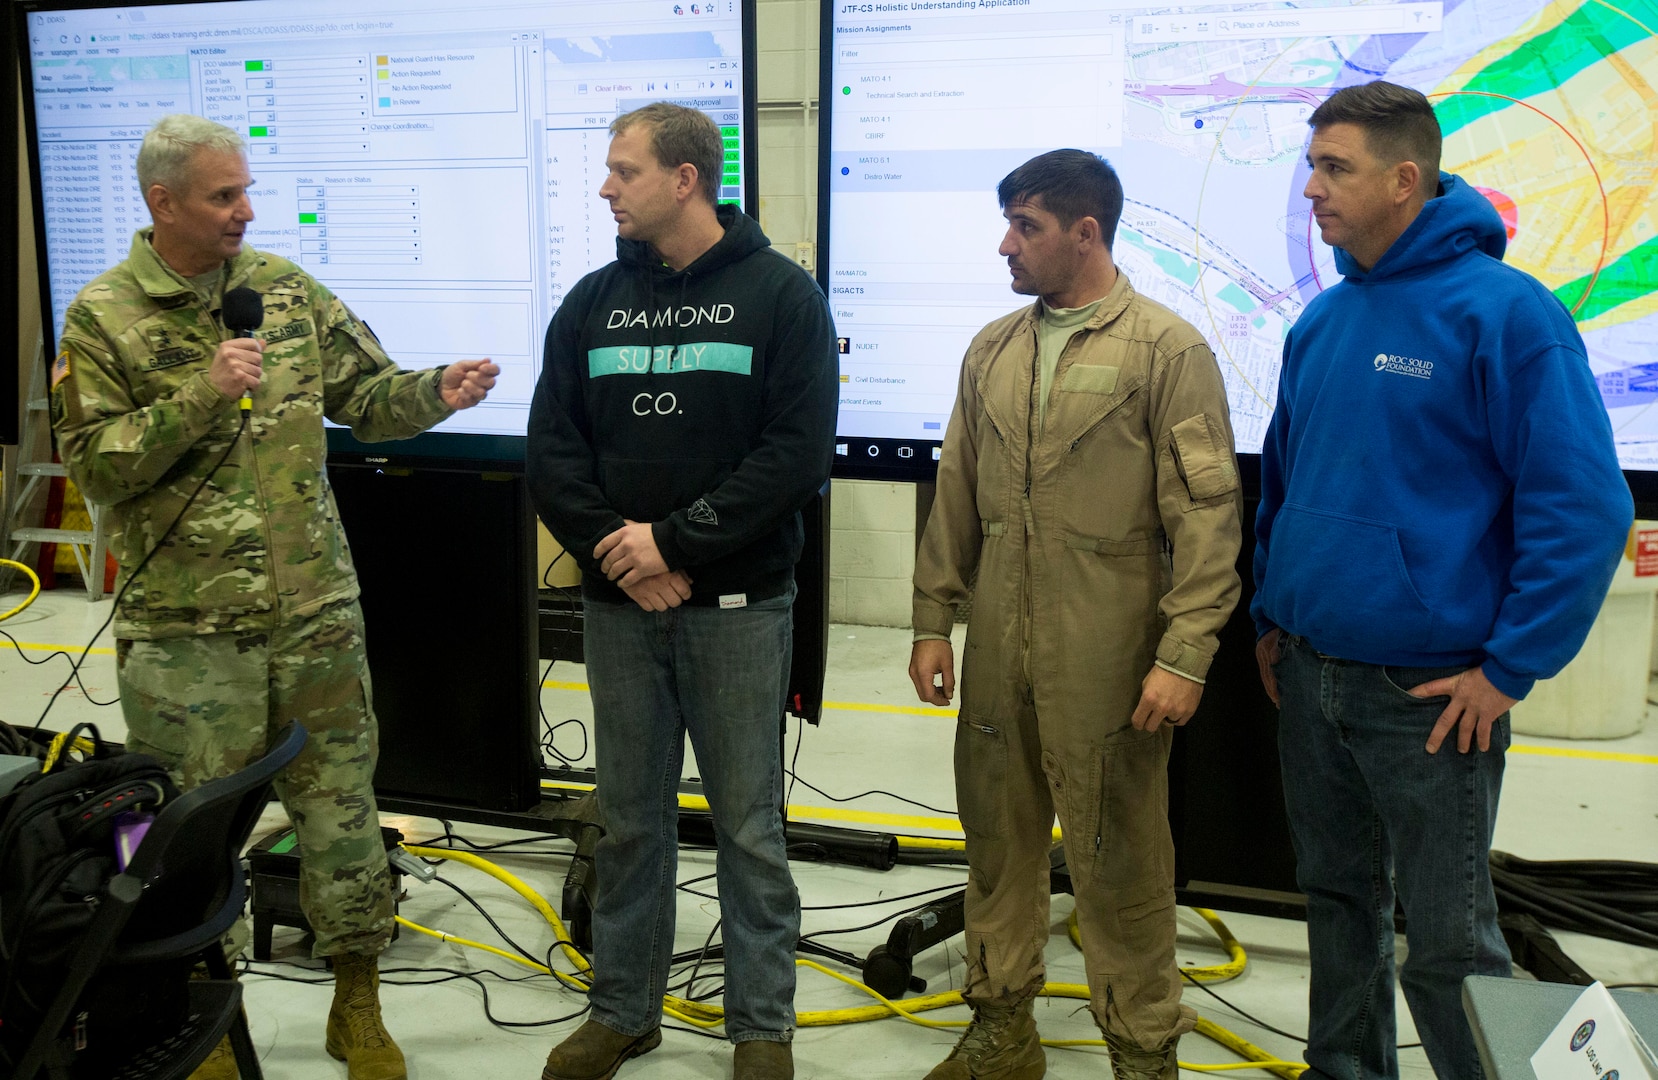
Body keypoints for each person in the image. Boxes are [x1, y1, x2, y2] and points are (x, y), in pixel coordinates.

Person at [51, 113, 499, 1080]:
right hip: (187, 633)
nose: (244, 213)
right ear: (161, 202)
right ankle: (190, 1013)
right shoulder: (103, 317)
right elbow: (95, 467)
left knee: (342, 810)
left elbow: (368, 396)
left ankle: (358, 1005)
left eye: (245, 191)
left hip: (316, 614)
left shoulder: (284, 292)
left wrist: (439, 393)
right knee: (182, 829)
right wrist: (201, 395)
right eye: (222, 197)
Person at [1251, 80, 1632, 1080]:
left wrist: (1508, 667)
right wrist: (1268, 614)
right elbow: (1285, 482)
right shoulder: (1323, 323)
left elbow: (1582, 507)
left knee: (1451, 945)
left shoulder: (1506, 318)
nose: (1311, 191)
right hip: (1308, 674)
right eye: (1310, 167)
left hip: (1426, 697)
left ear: (1403, 180)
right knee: (1336, 915)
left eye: (1333, 168)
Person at [909, 149, 1243, 1080]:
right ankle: (1002, 1030)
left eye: (1027, 226)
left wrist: (1184, 655)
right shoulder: (994, 349)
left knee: (1122, 865)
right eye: (1009, 223)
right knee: (997, 847)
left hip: (1111, 653)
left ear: (1086, 232)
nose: (1005, 246)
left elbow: (1208, 518)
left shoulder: (1167, 351)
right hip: (998, 653)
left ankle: (1141, 1053)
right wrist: (933, 617)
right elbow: (956, 492)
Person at [526, 102, 838, 1080]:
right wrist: (624, 559)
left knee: (748, 829)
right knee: (627, 820)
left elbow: (792, 458)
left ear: (684, 178)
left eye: (622, 170)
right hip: (623, 615)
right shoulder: (588, 302)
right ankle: (622, 1010)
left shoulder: (782, 297)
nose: (606, 186)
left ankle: (760, 1031)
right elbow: (554, 451)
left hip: (739, 613)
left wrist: (670, 542)